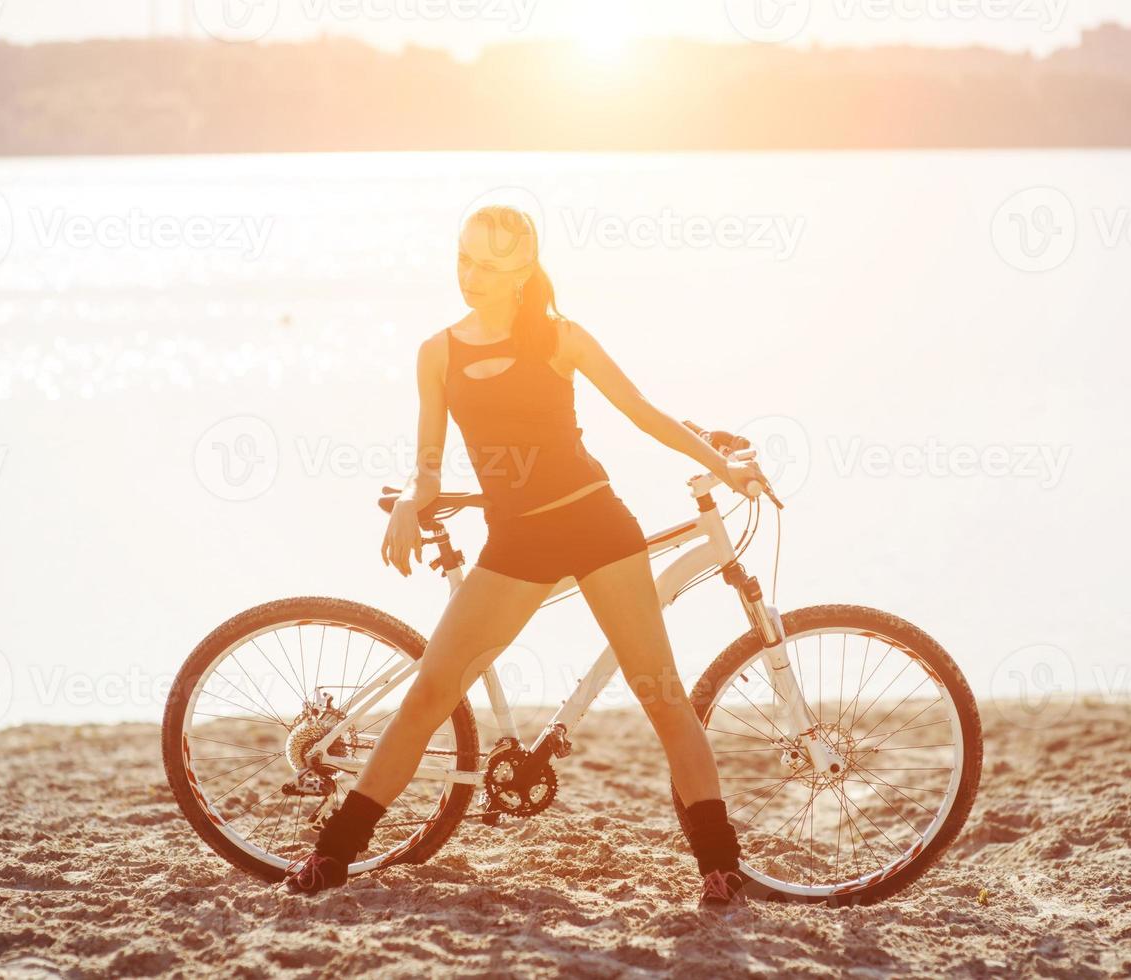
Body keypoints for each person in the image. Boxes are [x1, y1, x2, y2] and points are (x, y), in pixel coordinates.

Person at [284, 204, 771, 908]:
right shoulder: (438, 353)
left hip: (598, 526)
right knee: (429, 693)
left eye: (487, 265)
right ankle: (332, 856)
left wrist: (722, 468)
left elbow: (642, 412)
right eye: (463, 259)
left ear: (520, 273)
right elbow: (427, 465)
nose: (469, 275)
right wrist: (405, 503)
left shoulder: (561, 338)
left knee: (662, 698)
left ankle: (719, 870)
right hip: (515, 542)